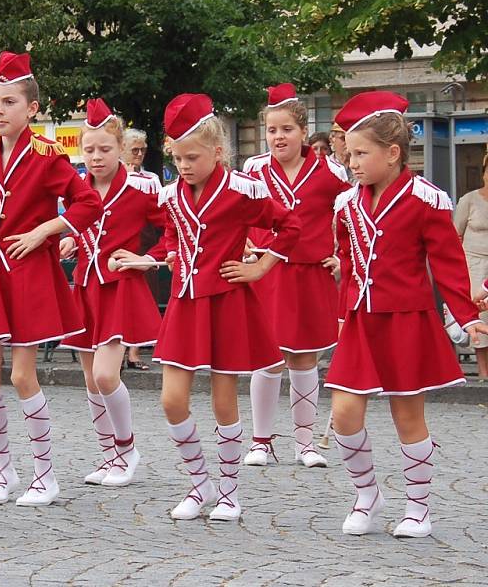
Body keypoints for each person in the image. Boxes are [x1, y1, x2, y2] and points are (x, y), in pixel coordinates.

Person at [327, 91, 488, 538]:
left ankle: (418, 508)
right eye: (349, 153)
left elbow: (448, 262)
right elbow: (348, 261)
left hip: (407, 321)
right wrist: (342, 317)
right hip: (361, 321)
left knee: (408, 415)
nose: (352, 162)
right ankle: (367, 495)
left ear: (393, 153)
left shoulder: (426, 199)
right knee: (344, 413)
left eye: (361, 153)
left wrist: (464, 314)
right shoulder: (346, 204)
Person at [0, 51, 103, 507]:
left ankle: (45, 474)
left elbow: (87, 203)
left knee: (22, 376)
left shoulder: (47, 156)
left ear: (32, 108)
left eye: (7, 102)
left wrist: (45, 230)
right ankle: (4, 471)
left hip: (27, 273)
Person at [154, 93, 300, 521]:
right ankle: (200, 485)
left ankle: (230, 492)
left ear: (217, 152)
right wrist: (170, 252)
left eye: (192, 157)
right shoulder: (170, 195)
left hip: (228, 303)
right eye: (178, 158)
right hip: (184, 304)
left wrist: (263, 267)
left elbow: (289, 223)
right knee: (171, 400)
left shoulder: (243, 191)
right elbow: (170, 231)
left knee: (223, 400)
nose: (183, 166)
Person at [240, 83, 349, 468]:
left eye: (286, 129)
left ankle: (305, 443)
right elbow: (240, 212)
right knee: (267, 358)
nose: (278, 137)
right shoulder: (254, 169)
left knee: (304, 358)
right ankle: (260, 441)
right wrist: (244, 244)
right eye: (271, 130)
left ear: (303, 130)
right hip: (267, 274)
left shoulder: (331, 171)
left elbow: (350, 216)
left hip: (310, 274)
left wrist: (341, 255)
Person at [59, 98, 164, 487]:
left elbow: (172, 231)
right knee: (90, 380)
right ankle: (109, 456)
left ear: (121, 148)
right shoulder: (77, 188)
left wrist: (146, 259)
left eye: (105, 149)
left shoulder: (141, 187)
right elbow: (80, 225)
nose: (96, 157)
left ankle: (128, 449)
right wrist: (72, 240)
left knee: (105, 375)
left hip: (120, 289)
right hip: (86, 287)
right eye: (89, 150)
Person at [121, 128, 163, 371]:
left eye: (142, 150)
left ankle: (134, 352)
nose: (138, 154)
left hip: (144, 243)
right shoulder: (113, 175)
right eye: (134, 149)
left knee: (143, 297)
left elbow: (160, 214)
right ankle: (118, 351)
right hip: (120, 244)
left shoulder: (150, 180)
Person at [453, 152, 488, 378]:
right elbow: (455, 235)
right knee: (481, 317)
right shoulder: (469, 200)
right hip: (474, 264)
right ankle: (484, 372)